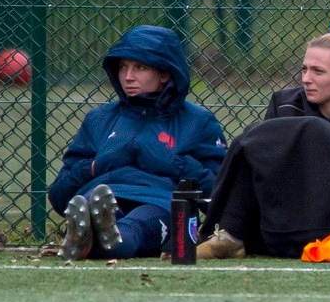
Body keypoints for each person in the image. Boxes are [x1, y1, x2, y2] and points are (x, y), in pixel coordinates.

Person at [197, 18, 330, 259]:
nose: (306, 79)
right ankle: (231, 235)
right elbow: (265, 167)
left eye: (318, 71)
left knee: (315, 132)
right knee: (252, 139)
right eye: (304, 69)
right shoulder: (284, 104)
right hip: (283, 213)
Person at [48, 25, 228, 261]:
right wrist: (94, 167)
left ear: (165, 73)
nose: (128, 77)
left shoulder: (197, 121)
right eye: (123, 67)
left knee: (138, 224)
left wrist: (178, 165)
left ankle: (90, 239)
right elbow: (60, 196)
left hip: (160, 201)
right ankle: (91, 227)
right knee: (102, 206)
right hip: (104, 193)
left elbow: (221, 199)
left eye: (140, 68)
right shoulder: (99, 119)